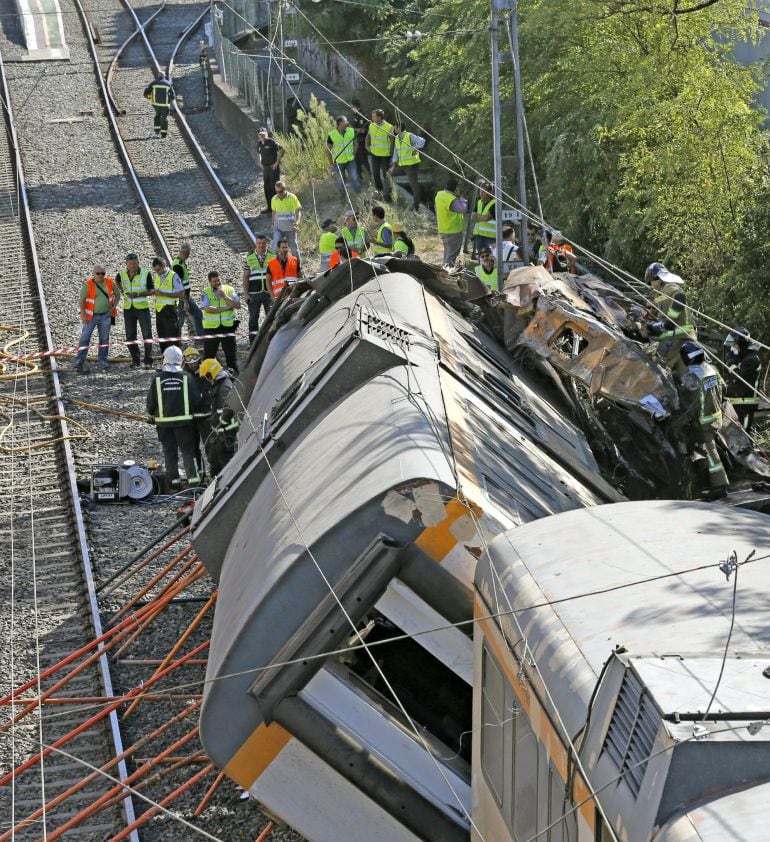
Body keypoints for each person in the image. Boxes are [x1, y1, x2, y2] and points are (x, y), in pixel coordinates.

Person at [147, 345, 204, 487]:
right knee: (187, 452)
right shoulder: (186, 377)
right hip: (184, 424)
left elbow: (150, 403)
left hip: (163, 424)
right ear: (180, 359)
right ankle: (194, 483)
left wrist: (153, 415)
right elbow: (197, 400)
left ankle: (174, 483)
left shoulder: (158, 378)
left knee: (169, 453)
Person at [678, 341, 728, 497]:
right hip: (716, 416)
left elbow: (687, 401)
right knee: (710, 448)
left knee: (710, 451)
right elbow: (724, 388)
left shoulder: (692, 375)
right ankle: (709, 482)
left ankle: (720, 486)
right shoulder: (712, 369)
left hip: (703, 420)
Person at [644, 262, 695, 374]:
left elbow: (679, 296)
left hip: (680, 337)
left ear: (654, 278)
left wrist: (669, 319)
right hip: (676, 338)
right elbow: (659, 312)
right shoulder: (660, 294)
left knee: (661, 366)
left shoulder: (668, 287)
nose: (651, 285)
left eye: (650, 282)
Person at [75, 264, 120, 374]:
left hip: (105, 316)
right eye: (98, 273)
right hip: (91, 317)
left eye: (103, 273)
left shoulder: (109, 282)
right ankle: (80, 361)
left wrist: (113, 308)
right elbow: (82, 300)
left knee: (104, 339)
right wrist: (84, 315)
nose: (100, 275)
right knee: (85, 339)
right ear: (93, 274)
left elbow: (118, 294)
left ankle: (102, 360)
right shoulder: (88, 285)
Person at [199, 358, 239, 477]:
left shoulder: (224, 386)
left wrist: (221, 421)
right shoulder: (219, 385)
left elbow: (229, 408)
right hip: (221, 432)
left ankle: (226, 484)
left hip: (227, 433)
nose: (205, 379)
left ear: (211, 374)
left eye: (206, 376)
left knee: (225, 463)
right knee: (214, 460)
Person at [117, 252, 154, 369]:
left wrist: (138, 294)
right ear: (126, 264)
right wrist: (122, 290)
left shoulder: (145, 273)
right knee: (130, 336)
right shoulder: (122, 274)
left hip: (142, 308)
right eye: (130, 264)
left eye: (134, 263)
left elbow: (152, 291)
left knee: (147, 334)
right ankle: (135, 359)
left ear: (138, 262)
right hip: (128, 308)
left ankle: (148, 361)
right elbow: (117, 281)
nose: (132, 266)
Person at [200, 270, 240, 373]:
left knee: (231, 354)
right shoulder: (206, 292)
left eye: (218, 280)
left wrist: (225, 297)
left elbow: (237, 305)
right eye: (214, 281)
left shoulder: (229, 289)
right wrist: (226, 308)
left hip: (228, 326)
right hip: (211, 328)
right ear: (210, 282)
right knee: (209, 355)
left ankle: (233, 375)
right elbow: (207, 309)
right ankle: (207, 375)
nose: (217, 283)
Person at [182, 346, 211, 482]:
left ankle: (216, 473)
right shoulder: (183, 376)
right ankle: (198, 477)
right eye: (189, 360)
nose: (193, 363)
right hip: (191, 419)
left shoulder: (205, 372)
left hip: (205, 417)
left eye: (195, 359)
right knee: (193, 450)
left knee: (211, 447)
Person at [724, 328, 761, 430]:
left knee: (743, 434)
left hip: (746, 405)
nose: (732, 347)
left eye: (734, 344)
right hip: (736, 403)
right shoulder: (741, 356)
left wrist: (730, 361)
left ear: (742, 343)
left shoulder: (752, 359)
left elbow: (737, 376)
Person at [242, 234, 275, 339]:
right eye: (259, 243)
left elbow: (276, 276)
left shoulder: (273, 256)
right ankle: (253, 343)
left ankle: (269, 340)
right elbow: (245, 277)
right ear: (256, 244)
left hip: (268, 293)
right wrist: (246, 294)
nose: (261, 245)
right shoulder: (249, 258)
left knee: (271, 317)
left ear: (267, 244)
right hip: (253, 294)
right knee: (253, 319)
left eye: (263, 243)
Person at [389, 119, 425, 211]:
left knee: (413, 185)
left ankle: (415, 206)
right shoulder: (397, 138)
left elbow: (422, 141)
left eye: (395, 127)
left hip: (412, 165)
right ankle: (388, 196)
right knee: (388, 174)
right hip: (402, 165)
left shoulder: (410, 136)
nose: (394, 129)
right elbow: (396, 153)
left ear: (399, 128)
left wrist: (415, 148)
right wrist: (393, 166)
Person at [152, 256, 185, 353]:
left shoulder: (173, 276)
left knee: (172, 336)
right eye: (155, 270)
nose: (157, 272)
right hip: (159, 310)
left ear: (164, 266)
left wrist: (163, 293)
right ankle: (165, 358)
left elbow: (181, 293)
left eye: (158, 269)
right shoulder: (157, 276)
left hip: (170, 310)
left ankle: (175, 359)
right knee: (162, 336)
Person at [173, 242, 203, 343]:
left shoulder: (181, 263)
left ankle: (200, 339)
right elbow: (180, 285)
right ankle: (176, 341)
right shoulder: (178, 265)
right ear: (187, 253)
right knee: (180, 320)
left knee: (197, 314)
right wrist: (185, 301)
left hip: (186, 296)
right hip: (183, 297)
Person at [434, 177, 467, 268]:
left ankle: (444, 270)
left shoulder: (439, 195)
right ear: (456, 189)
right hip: (453, 231)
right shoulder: (452, 199)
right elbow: (463, 209)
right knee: (452, 255)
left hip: (444, 229)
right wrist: (462, 198)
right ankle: (447, 274)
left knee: (447, 253)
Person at [327, 115, 360, 201]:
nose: (347, 123)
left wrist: (353, 154)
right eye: (345, 122)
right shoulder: (331, 135)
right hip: (339, 163)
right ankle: (343, 201)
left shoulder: (351, 131)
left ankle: (360, 199)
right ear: (339, 123)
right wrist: (331, 164)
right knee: (341, 183)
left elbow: (356, 144)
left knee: (355, 179)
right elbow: (328, 150)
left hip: (350, 161)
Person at [366, 109, 394, 199]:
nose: (372, 118)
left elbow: (392, 141)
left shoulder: (389, 127)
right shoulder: (372, 125)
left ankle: (388, 195)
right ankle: (380, 192)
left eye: (374, 116)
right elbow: (368, 136)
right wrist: (367, 145)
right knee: (375, 174)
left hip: (385, 155)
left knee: (386, 175)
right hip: (374, 154)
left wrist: (392, 154)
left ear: (379, 117)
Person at [256, 127, 284, 212]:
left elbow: (282, 149)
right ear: (258, 135)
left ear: (266, 134)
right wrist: (260, 162)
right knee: (267, 187)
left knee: (274, 187)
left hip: (273, 168)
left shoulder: (271, 142)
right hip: (266, 168)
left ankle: (277, 208)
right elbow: (258, 153)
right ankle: (269, 207)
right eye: (260, 135)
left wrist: (277, 163)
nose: (262, 136)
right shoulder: (259, 143)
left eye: (263, 134)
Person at [271, 181, 302, 254]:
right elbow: (274, 212)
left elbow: (298, 212)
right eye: (277, 192)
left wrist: (297, 224)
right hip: (278, 228)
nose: (279, 194)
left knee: (294, 250)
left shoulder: (292, 198)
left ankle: (298, 265)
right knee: (275, 248)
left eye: (281, 191)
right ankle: (273, 265)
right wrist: (273, 223)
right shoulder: (274, 199)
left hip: (290, 229)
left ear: (285, 189)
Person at [143, 74, 175, 139]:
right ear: (164, 76)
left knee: (157, 115)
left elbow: (146, 92)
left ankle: (157, 130)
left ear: (158, 76)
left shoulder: (153, 83)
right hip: (165, 105)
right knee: (164, 118)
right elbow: (173, 95)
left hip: (156, 104)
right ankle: (163, 133)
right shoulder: (168, 84)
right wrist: (169, 102)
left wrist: (148, 97)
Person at [471, 182, 496, 256]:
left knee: (491, 258)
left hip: (491, 238)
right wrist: (482, 217)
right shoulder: (479, 202)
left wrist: (478, 217)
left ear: (489, 192)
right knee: (481, 258)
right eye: (480, 191)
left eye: (483, 191)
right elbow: (472, 218)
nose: (481, 194)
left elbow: (486, 218)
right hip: (479, 236)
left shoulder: (494, 203)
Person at [349, 98, 369, 184]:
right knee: (360, 160)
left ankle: (362, 178)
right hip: (358, 142)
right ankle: (364, 177)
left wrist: (352, 128)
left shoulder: (362, 115)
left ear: (355, 106)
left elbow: (363, 130)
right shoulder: (356, 116)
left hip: (363, 141)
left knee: (360, 160)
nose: (351, 108)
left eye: (352, 106)